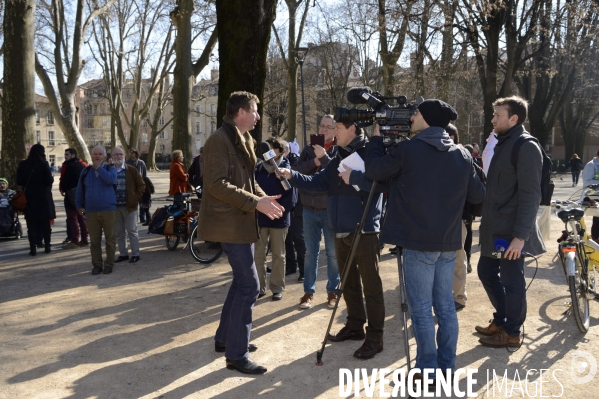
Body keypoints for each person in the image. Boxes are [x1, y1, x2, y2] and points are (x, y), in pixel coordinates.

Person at [365, 99, 485, 379]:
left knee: (420, 308)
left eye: (416, 113)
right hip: (448, 242)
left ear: (427, 118)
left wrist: (375, 141)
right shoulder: (462, 154)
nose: (411, 117)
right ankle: (446, 366)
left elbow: (374, 171)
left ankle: (427, 370)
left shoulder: (408, 150)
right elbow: (479, 196)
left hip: (418, 243)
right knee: (444, 306)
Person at [280, 120, 386, 360]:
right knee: (347, 282)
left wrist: (356, 177)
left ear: (353, 128)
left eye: (338, 127)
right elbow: (318, 183)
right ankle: (355, 325)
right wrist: (292, 174)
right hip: (339, 228)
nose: (332, 132)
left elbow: (381, 185)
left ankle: (375, 337)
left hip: (365, 231)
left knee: (371, 286)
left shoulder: (373, 152)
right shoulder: (337, 156)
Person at [197, 91, 284, 375]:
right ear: (240, 112)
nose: (259, 116)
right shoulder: (218, 141)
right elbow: (217, 185)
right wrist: (255, 202)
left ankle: (226, 339)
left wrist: (263, 198)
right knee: (249, 286)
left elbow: (247, 182)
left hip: (240, 221)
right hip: (228, 223)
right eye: (255, 111)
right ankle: (237, 353)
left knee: (241, 283)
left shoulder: (243, 139)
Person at [476, 96, 546, 348]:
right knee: (485, 271)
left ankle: (512, 332)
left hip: (511, 233)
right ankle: (503, 319)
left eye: (497, 115)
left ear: (513, 118)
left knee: (512, 281)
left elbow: (531, 195)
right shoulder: (503, 143)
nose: (492, 119)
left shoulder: (525, 146)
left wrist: (520, 237)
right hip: (495, 230)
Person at [292, 115, 340, 310]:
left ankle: (332, 291)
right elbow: (295, 171)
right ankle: (308, 293)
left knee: (332, 253)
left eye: (329, 127)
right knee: (310, 253)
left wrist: (324, 158)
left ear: (336, 130)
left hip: (329, 210)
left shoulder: (339, 150)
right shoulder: (307, 150)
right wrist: (314, 161)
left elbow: (338, 174)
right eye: (322, 125)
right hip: (309, 209)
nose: (324, 130)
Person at [254, 137, 295, 300]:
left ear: (280, 151)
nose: (268, 154)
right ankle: (259, 288)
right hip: (261, 219)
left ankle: (277, 287)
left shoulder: (286, 169)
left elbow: (292, 197)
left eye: (271, 150)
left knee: (279, 255)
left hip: (279, 219)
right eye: (266, 150)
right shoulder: (259, 170)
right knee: (259, 255)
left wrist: (279, 211)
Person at [75, 145, 118, 275]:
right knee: (94, 241)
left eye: (100, 154)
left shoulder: (111, 169)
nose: (97, 156)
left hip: (108, 210)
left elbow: (111, 180)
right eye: (95, 154)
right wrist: (78, 205)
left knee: (110, 240)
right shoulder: (86, 171)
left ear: (105, 156)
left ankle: (109, 264)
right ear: (91, 156)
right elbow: (80, 190)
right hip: (91, 211)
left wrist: (99, 168)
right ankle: (97, 265)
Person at [446, 124, 471, 311]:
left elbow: (477, 191)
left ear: (453, 137)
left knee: (457, 258)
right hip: (437, 219)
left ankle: (459, 297)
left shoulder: (462, 156)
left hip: (457, 218)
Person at [16, 144, 56, 256]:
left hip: (29, 198)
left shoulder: (23, 164)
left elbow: (19, 181)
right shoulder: (44, 164)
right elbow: (49, 181)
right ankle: (47, 246)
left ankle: (32, 248)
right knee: (45, 225)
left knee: (31, 225)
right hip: (43, 197)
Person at [111, 147, 146, 264]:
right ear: (112, 157)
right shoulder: (110, 170)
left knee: (132, 231)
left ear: (124, 156)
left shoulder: (131, 170)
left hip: (129, 206)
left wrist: (135, 198)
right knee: (119, 232)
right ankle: (123, 254)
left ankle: (135, 253)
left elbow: (142, 185)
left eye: (120, 154)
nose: (118, 156)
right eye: (116, 155)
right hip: (115, 207)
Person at [60, 148, 89, 249]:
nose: (65, 156)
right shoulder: (81, 164)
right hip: (81, 194)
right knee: (81, 218)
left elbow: (65, 180)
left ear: (73, 155)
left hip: (71, 194)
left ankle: (75, 240)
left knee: (72, 218)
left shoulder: (70, 165)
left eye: (67, 154)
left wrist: (62, 188)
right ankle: (84, 239)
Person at [126, 148, 148, 223]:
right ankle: (133, 218)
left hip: (139, 185)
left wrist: (145, 184)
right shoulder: (127, 162)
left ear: (136, 154)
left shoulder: (141, 163)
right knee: (132, 202)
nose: (131, 154)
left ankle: (142, 217)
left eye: (132, 153)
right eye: (130, 153)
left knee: (142, 202)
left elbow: (144, 174)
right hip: (131, 185)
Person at [582, 150, 599, 240]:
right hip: (594, 196)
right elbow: (587, 182)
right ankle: (595, 240)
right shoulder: (591, 165)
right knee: (597, 219)